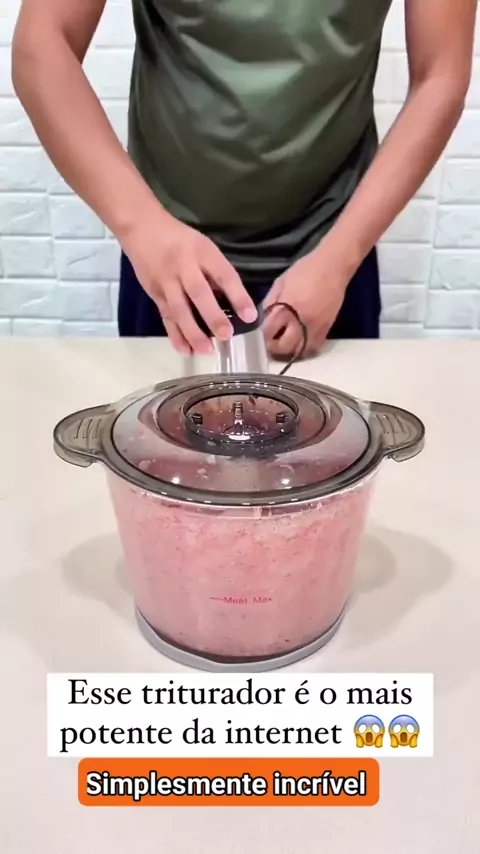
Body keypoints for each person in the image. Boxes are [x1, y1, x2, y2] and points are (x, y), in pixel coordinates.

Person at [12, 0, 476, 358]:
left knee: (336, 453)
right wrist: (141, 227)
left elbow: (440, 75)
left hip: (333, 249)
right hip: (167, 252)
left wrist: (339, 257)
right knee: (157, 452)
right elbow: (43, 44)